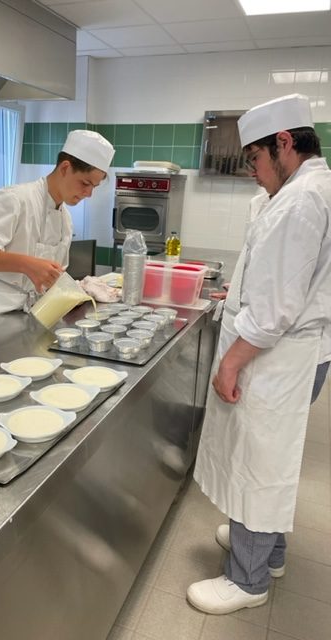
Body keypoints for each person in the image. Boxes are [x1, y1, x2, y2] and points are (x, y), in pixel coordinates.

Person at [186, 94, 331, 615]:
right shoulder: (309, 188)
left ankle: (247, 581)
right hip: (294, 351)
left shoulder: (299, 201)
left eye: (254, 157)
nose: (251, 169)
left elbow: (276, 309)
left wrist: (229, 362)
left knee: (259, 459)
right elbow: (284, 279)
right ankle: (268, 552)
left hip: (277, 356)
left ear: (284, 143)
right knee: (270, 455)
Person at [0, 130, 115, 329]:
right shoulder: (15, 199)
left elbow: (53, 277)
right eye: (85, 183)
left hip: (28, 319)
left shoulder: (65, 219)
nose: (89, 193)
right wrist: (27, 265)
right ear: (65, 168)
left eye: (94, 186)